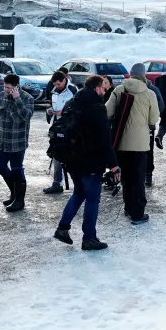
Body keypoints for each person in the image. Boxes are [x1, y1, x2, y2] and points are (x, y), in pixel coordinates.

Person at [54, 75, 119, 251]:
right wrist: (114, 165)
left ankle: (63, 228)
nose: (105, 92)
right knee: (92, 199)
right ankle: (89, 238)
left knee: (79, 193)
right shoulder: (97, 108)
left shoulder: (72, 103)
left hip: (72, 159)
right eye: (104, 89)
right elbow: (106, 140)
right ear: (97, 88)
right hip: (91, 161)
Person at [106, 63, 160, 225]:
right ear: (144, 76)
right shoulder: (150, 93)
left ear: (130, 74)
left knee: (126, 177)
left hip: (121, 142)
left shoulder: (119, 90)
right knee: (137, 179)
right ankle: (137, 214)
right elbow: (153, 119)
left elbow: (107, 112)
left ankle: (128, 208)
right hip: (141, 144)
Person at [0, 74, 35, 213]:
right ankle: (14, 192)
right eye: (4, 86)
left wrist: (17, 99)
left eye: (8, 87)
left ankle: (19, 201)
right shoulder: (0, 96)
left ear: (16, 86)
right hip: (1, 140)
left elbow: (26, 116)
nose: (5, 89)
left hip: (17, 141)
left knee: (17, 169)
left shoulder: (27, 98)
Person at [44, 70, 79, 194]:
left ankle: (78, 185)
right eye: (55, 84)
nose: (57, 86)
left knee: (72, 156)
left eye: (59, 84)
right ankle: (57, 183)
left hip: (69, 128)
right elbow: (48, 102)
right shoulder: (53, 89)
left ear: (65, 80)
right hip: (57, 126)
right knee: (56, 154)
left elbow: (78, 108)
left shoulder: (73, 90)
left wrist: (63, 113)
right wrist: (49, 110)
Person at [145, 75, 164, 187]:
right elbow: (161, 106)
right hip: (147, 126)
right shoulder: (153, 89)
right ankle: (147, 175)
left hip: (146, 126)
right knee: (147, 151)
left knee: (145, 151)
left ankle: (147, 175)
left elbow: (161, 106)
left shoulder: (152, 89)